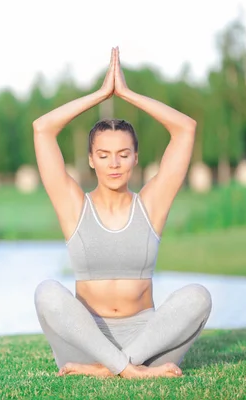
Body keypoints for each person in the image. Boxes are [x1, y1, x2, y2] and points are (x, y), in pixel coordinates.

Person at [32, 47, 212, 379]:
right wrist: (101, 94)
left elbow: (185, 128)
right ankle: (125, 368)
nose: (114, 164)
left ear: (135, 158)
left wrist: (127, 94)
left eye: (123, 154)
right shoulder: (74, 205)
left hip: (147, 343)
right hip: (85, 343)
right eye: (103, 154)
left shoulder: (151, 204)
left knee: (199, 297)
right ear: (90, 159)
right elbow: (42, 129)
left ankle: (112, 368)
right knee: (46, 292)